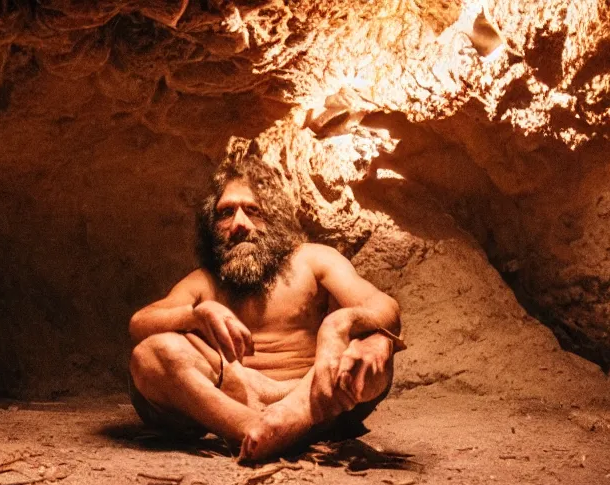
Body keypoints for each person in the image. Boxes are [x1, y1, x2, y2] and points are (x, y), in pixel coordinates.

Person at [127, 155, 403, 460]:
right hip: (233, 395)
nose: (239, 225)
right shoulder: (204, 282)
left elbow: (384, 307)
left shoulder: (312, 260)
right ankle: (250, 429)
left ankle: (291, 421)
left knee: (377, 345)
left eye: (253, 211)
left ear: (273, 217)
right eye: (226, 213)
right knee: (149, 355)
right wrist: (195, 316)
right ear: (212, 225)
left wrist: (339, 324)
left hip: (313, 393)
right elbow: (141, 322)